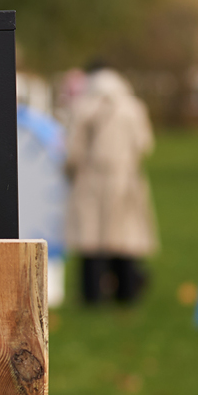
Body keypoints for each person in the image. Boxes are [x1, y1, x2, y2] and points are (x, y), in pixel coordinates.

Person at [64, 63, 158, 304]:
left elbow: (73, 151)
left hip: (91, 177)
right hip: (126, 177)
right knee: (125, 239)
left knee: (91, 240)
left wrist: (70, 172)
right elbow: (145, 144)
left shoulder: (83, 107)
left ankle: (91, 296)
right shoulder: (133, 107)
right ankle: (126, 293)